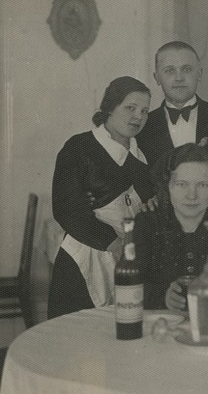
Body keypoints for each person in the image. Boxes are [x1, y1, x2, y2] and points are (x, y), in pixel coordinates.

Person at [48, 76, 156, 319]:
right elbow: (66, 209)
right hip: (83, 260)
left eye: (144, 111)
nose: (138, 117)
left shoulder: (143, 155)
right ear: (109, 107)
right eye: (130, 108)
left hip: (127, 260)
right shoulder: (78, 147)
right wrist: (113, 244)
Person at [134, 143, 208, 311]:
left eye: (202, 185)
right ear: (168, 185)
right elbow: (129, 282)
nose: (192, 195)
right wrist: (163, 297)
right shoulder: (147, 222)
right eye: (182, 184)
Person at [136, 41, 208, 168]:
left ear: (199, 74)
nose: (179, 78)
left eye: (186, 69)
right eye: (169, 70)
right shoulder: (142, 126)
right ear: (157, 78)